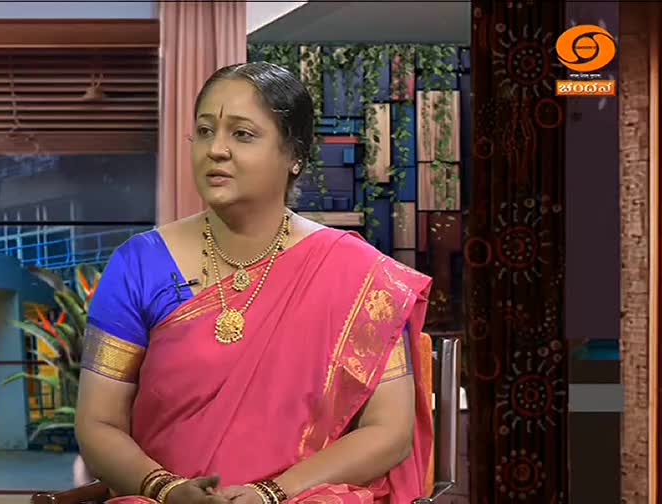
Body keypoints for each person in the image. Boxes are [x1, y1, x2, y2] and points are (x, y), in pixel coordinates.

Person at [75, 62, 433, 504]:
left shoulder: (360, 275)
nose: (216, 150)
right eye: (204, 131)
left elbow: (389, 431)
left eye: (242, 134)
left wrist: (271, 493)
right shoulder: (139, 265)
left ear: (294, 155)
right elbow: (98, 423)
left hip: (301, 497)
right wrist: (168, 489)